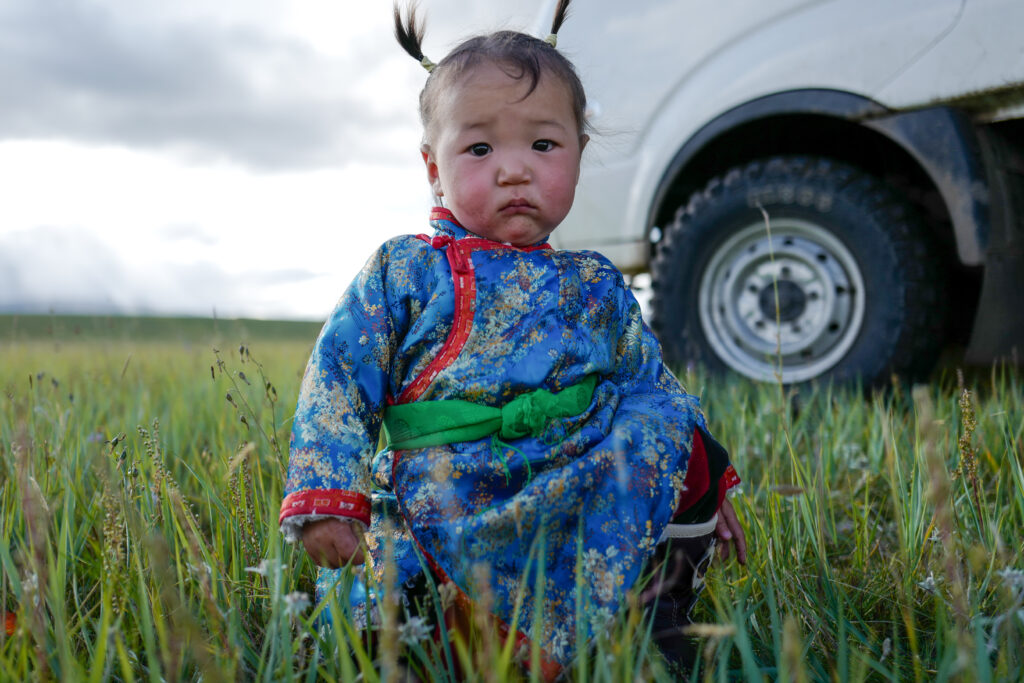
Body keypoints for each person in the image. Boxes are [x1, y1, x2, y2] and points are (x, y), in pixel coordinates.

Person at [278, 0, 746, 676]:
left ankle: (652, 615)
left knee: (670, 424)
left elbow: (650, 382)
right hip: (444, 499)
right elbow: (339, 381)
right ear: (433, 167)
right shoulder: (404, 270)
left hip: (575, 492)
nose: (513, 168)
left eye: (543, 144)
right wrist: (328, 496)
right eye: (479, 148)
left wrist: (702, 478)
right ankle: (447, 642)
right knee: (391, 619)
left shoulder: (593, 283)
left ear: (578, 155)